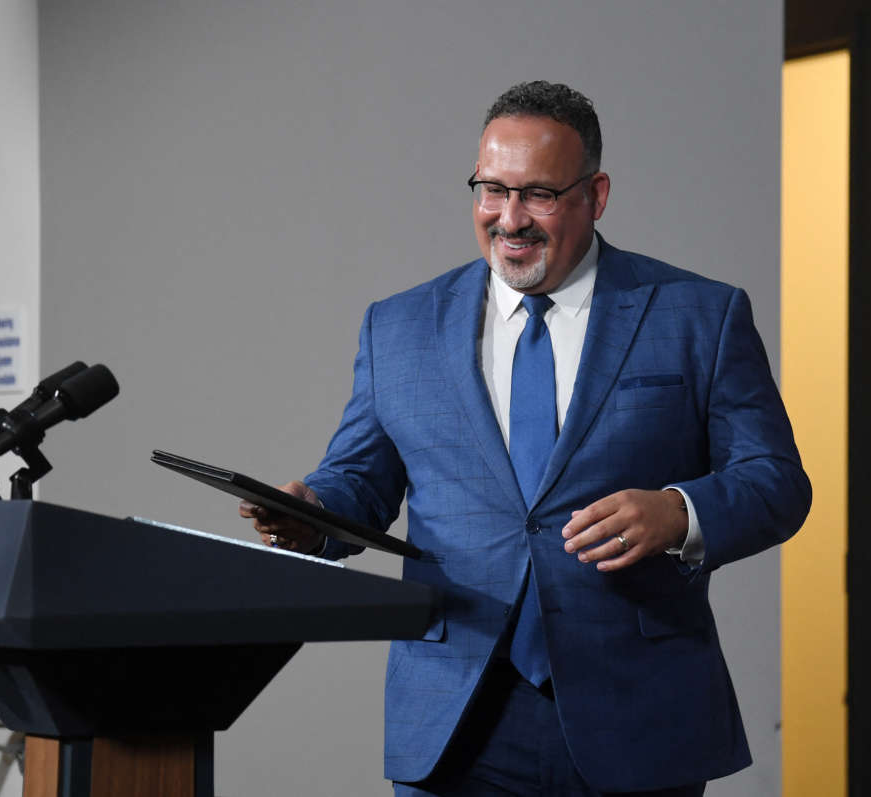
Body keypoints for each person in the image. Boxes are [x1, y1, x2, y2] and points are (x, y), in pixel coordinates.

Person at [240, 81, 811, 796]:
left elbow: (777, 480)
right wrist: (310, 513)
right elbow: (360, 481)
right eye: (491, 189)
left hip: (638, 717)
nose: (510, 219)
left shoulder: (700, 315)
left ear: (596, 195)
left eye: (538, 193)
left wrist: (678, 511)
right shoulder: (401, 326)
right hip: (455, 718)